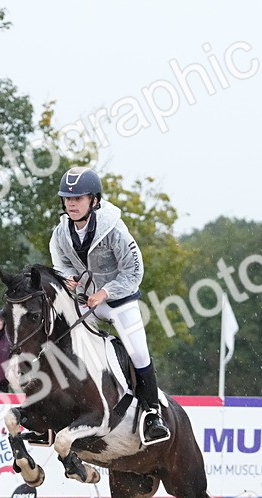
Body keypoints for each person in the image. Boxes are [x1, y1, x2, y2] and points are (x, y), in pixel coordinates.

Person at [48, 166, 170, 444]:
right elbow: (61, 264)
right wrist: (70, 280)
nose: (71, 204)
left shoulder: (114, 230)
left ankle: (152, 415)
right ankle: (53, 409)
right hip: (85, 302)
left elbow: (133, 272)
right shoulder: (61, 233)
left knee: (138, 352)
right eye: (68, 198)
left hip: (119, 301)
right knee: (61, 340)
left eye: (78, 198)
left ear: (94, 200)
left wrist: (104, 292)